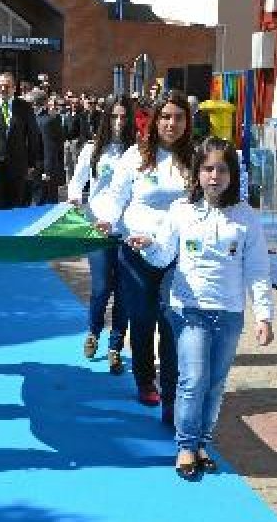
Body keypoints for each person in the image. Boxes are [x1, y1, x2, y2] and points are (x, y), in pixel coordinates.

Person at [127, 137, 274, 480]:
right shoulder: (181, 210)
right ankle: (185, 446)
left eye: (222, 169)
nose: (214, 176)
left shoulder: (245, 217)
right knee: (192, 379)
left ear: (232, 175)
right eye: (208, 168)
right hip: (188, 308)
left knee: (215, 383)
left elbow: (257, 269)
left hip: (229, 312)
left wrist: (263, 315)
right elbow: (164, 254)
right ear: (196, 173)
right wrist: (148, 244)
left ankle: (203, 442)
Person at [91, 92, 193, 410]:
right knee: (142, 318)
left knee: (170, 318)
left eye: (178, 117)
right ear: (155, 120)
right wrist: (107, 219)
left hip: (178, 255)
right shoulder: (135, 155)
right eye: (165, 117)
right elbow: (115, 195)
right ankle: (145, 380)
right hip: (136, 254)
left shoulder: (195, 157)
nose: (171, 123)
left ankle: (171, 385)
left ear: (187, 122)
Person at [67, 97, 136, 375]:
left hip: (128, 232)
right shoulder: (92, 150)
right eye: (114, 117)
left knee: (124, 292)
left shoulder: (138, 152)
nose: (119, 122)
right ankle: (94, 331)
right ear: (106, 118)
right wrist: (74, 200)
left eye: (124, 117)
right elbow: (77, 182)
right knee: (100, 287)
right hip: (98, 229)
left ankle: (115, 346)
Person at [0, 72, 41, 209]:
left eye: (6, 86)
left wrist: (32, 163)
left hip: (17, 165)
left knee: (15, 204)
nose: (2, 89)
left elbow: (32, 135)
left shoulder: (24, 107)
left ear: (14, 88)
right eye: (0, 86)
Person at [31, 91, 66, 205]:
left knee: (45, 202)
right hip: (38, 170)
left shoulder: (46, 121)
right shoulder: (38, 119)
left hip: (44, 171)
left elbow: (49, 148)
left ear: (35, 104)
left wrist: (47, 171)